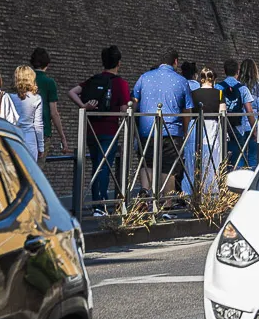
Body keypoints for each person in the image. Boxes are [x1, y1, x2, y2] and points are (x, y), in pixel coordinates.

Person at [69, 46, 131, 214]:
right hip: (109, 130)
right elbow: (125, 110)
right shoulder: (121, 84)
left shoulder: (93, 79)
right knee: (104, 167)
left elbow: (72, 92)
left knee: (97, 165)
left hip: (91, 130)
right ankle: (100, 204)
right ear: (119, 63)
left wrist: (84, 107)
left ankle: (96, 201)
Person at [132, 51, 194, 206]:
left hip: (147, 130)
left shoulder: (144, 77)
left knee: (148, 164)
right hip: (171, 131)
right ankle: (167, 206)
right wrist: (185, 132)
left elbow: (133, 102)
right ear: (175, 62)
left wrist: (135, 127)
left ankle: (145, 194)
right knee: (168, 169)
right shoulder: (181, 81)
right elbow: (187, 110)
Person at [190, 68, 224, 192]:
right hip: (212, 126)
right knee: (212, 158)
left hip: (196, 125)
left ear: (201, 79)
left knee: (196, 157)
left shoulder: (193, 93)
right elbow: (223, 112)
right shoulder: (219, 93)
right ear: (213, 79)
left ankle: (194, 188)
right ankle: (211, 189)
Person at [218, 58, 257, 168]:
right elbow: (249, 111)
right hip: (238, 128)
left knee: (222, 157)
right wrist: (254, 130)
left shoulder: (218, 87)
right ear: (238, 71)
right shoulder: (243, 89)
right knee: (239, 157)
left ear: (225, 71)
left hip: (222, 128)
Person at [31, 47, 69, 154]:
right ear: (47, 64)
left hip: (24, 131)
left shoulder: (25, 81)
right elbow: (54, 113)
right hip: (43, 130)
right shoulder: (49, 83)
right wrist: (63, 137)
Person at [8, 66, 46, 160]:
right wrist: (41, 147)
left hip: (14, 138)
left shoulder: (8, 97)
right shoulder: (36, 98)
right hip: (30, 140)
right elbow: (38, 125)